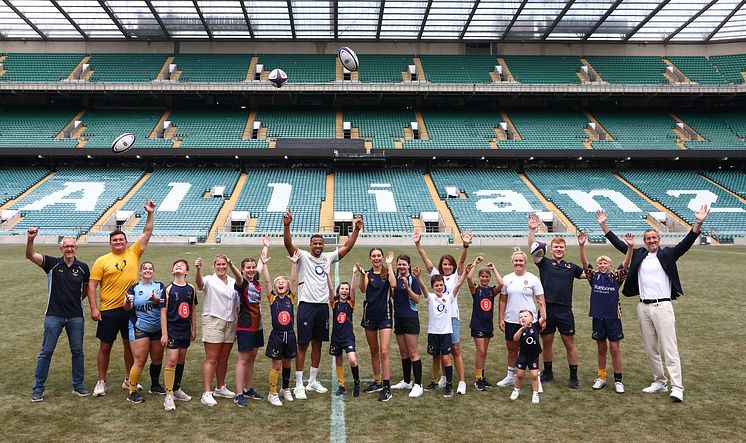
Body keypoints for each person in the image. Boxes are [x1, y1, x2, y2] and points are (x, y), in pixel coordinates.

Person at [596, 205, 709, 402]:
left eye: (654, 238)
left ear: (659, 240)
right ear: (645, 241)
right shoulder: (639, 254)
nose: (651, 241)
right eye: (648, 239)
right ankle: (659, 381)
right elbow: (619, 245)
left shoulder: (668, 254)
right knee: (650, 348)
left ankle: (677, 387)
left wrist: (698, 222)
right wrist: (604, 225)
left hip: (663, 306)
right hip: (643, 307)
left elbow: (687, 242)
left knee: (669, 348)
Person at [283, 209, 363, 399]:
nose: (318, 246)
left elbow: (346, 248)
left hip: (322, 307)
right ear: (310, 245)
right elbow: (288, 244)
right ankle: (299, 384)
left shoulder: (328, 257)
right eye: (315, 243)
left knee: (317, 343)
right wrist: (286, 226)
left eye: (320, 243)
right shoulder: (302, 256)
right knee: (302, 345)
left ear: (323, 245)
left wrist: (356, 232)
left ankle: (312, 381)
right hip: (306, 306)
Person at [88, 198, 156, 397]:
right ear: (110, 243)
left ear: (126, 242)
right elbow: (92, 285)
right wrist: (94, 308)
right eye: (114, 240)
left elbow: (147, 233)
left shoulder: (133, 253)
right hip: (108, 310)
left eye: (121, 240)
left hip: (131, 309)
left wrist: (150, 213)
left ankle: (129, 379)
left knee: (129, 345)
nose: (118, 242)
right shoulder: (102, 261)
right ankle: (101, 381)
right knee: (106, 346)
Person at [26, 228, 90, 402]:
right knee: (46, 352)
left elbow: (85, 289)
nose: (69, 249)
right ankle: (38, 388)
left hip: (76, 317)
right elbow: (31, 255)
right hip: (53, 316)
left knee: (77, 351)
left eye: (72, 246)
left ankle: (78, 385)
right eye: (66, 246)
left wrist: (75, 300)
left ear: (76, 248)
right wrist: (31, 239)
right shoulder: (52, 264)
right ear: (61, 249)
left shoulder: (83, 267)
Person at [527, 214, 584, 388]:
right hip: (546, 309)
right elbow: (532, 249)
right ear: (551, 249)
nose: (559, 249)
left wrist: (582, 247)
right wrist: (532, 229)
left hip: (565, 310)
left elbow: (588, 275)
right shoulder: (544, 263)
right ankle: (548, 372)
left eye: (561, 247)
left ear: (565, 249)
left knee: (569, 342)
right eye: (556, 247)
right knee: (547, 341)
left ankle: (573, 376)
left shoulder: (571, 267)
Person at [413, 229, 472, 395]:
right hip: (438, 322)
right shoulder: (436, 277)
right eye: (444, 264)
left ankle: (461, 381)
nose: (447, 267)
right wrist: (418, 244)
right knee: (438, 353)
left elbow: (461, 261)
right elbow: (426, 261)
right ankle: (443, 378)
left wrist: (465, 245)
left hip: (452, 318)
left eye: (449, 264)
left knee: (455, 349)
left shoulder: (455, 276)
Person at [578, 230, 633, 394]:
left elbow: (626, 264)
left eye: (605, 263)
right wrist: (582, 246)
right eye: (600, 263)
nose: (602, 265)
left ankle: (618, 380)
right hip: (598, 318)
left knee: (615, 349)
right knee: (601, 349)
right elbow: (584, 263)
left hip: (613, 318)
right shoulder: (593, 276)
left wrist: (630, 248)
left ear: (610, 265)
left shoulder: (616, 276)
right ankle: (601, 378)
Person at [497, 248, 546, 392]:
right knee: (512, 349)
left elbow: (540, 299)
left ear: (525, 262)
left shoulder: (533, 279)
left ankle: (536, 379)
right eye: (516, 260)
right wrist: (501, 318)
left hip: (530, 321)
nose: (518, 263)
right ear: (513, 262)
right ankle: (510, 376)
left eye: (521, 261)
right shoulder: (506, 279)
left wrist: (543, 319)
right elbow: (502, 301)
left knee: (532, 349)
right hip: (511, 320)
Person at [414, 267, 467, 398]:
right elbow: (423, 289)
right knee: (435, 357)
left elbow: (459, 284)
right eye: (436, 285)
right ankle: (435, 380)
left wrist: (465, 272)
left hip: (445, 334)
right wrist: (418, 277)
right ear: (432, 287)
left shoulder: (449, 298)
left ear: (444, 286)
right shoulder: (430, 298)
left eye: (441, 285)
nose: (439, 287)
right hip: (433, 333)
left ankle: (449, 385)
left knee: (446, 358)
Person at [230, 237, 269, 407]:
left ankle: (248, 388)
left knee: (252, 357)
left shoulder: (256, 279)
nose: (252, 270)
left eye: (253, 267)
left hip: (257, 324)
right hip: (245, 325)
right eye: (248, 268)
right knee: (243, 359)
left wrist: (265, 247)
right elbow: (238, 277)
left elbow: (260, 265)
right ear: (242, 270)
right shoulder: (241, 283)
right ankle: (239, 394)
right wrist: (231, 265)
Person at [196, 254, 238, 406]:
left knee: (224, 358)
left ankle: (220, 387)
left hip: (230, 322)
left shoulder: (233, 281)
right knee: (212, 358)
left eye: (224, 264)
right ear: (214, 266)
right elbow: (199, 284)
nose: (221, 267)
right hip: (213, 320)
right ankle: (206, 393)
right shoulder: (209, 279)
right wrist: (198, 269)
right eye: (218, 264)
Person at [123, 262, 166, 403]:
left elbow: (165, 304)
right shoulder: (134, 288)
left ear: (153, 272)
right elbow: (127, 308)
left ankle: (155, 385)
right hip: (139, 326)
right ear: (140, 272)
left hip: (157, 328)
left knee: (157, 359)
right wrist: (128, 302)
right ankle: (132, 391)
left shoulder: (159, 286)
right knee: (140, 360)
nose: (148, 271)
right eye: (145, 269)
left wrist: (156, 299)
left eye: (150, 269)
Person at [262, 250, 300, 406]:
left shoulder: (291, 298)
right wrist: (264, 265)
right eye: (278, 283)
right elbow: (267, 282)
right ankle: (272, 393)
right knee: (276, 365)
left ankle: (285, 389)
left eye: (283, 282)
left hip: (290, 335)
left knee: (287, 363)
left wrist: (294, 263)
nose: (280, 284)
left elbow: (293, 280)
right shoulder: (272, 299)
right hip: (277, 336)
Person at [160, 259, 198, 411]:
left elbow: (193, 310)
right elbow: (163, 313)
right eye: (175, 265)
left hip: (185, 330)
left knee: (181, 359)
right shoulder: (168, 289)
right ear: (172, 270)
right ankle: (168, 395)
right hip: (172, 329)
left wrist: (193, 329)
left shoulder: (191, 289)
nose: (178, 266)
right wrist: (164, 333)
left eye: (181, 265)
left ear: (187, 271)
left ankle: (176, 389)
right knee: (172, 360)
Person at [359, 248, 394, 401]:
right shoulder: (367, 274)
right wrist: (361, 276)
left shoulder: (387, 272)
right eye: (373, 256)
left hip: (385, 316)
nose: (376, 258)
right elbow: (363, 289)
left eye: (379, 255)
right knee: (374, 349)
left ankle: (387, 387)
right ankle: (377, 381)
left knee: (384, 351)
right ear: (370, 258)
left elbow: (394, 285)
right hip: (370, 316)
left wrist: (390, 265)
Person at [389, 254, 424, 398]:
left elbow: (417, 300)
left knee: (413, 352)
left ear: (408, 265)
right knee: (403, 353)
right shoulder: (396, 280)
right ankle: (407, 381)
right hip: (399, 319)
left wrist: (408, 288)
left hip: (410, 319)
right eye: (399, 264)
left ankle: (418, 385)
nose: (401, 267)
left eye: (404, 264)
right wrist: (389, 265)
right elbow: (393, 293)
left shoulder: (413, 280)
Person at [467, 256, 503, 391]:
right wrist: (475, 263)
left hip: (488, 325)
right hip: (477, 325)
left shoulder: (490, 291)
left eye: (487, 277)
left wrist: (494, 269)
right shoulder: (476, 290)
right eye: (482, 276)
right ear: (479, 277)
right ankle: (478, 379)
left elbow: (501, 284)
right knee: (481, 351)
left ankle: (481, 376)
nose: (485, 279)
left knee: (484, 352)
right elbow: (469, 278)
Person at [329, 266, 361, 397]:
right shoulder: (334, 303)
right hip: (336, 337)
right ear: (339, 290)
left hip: (348, 337)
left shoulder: (350, 303)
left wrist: (354, 274)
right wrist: (327, 275)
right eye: (342, 289)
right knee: (338, 359)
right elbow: (330, 290)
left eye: (346, 289)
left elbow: (353, 289)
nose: (344, 291)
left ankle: (357, 383)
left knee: (352, 360)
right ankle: (341, 385)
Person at [509, 309, 542, 404]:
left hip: (533, 356)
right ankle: (516, 390)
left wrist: (541, 305)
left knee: (534, 375)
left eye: (525, 316)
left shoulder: (535, 326)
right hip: (523, 356)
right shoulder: (520, 329)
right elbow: (515, 339)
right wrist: (521, 329)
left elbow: (544, 318)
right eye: (521, 317)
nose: (523, 318)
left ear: (532, 319)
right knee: (519, 375)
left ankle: (535, 393)